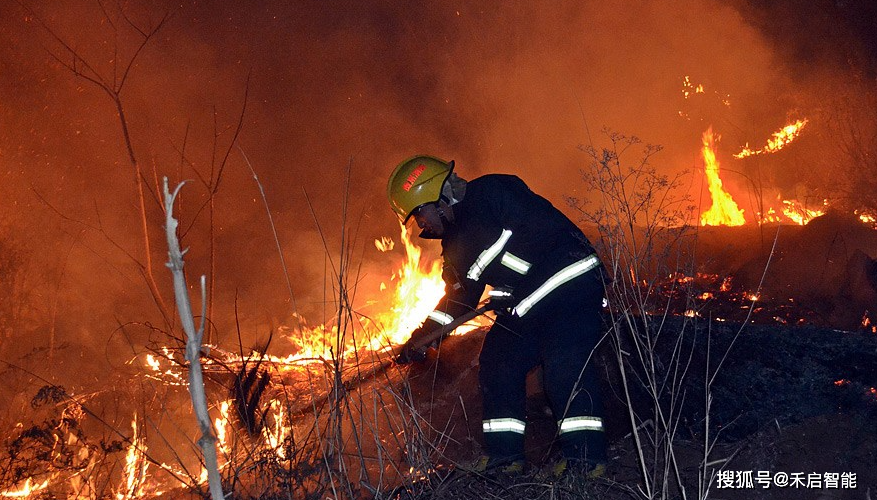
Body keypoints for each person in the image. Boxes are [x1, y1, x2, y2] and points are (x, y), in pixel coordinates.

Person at [387, 155, 607, 476]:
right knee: (498, 361)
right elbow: (461, 299)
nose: (421, 225)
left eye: (420, 213)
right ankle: (505, 458)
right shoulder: (454, 243)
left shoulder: (493, 192)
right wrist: (423, 336)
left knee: (563, 362)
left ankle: (585, 461)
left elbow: (540, 232)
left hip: (570, 283)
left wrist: (509, 290)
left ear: (438, 196)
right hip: (526, 303)